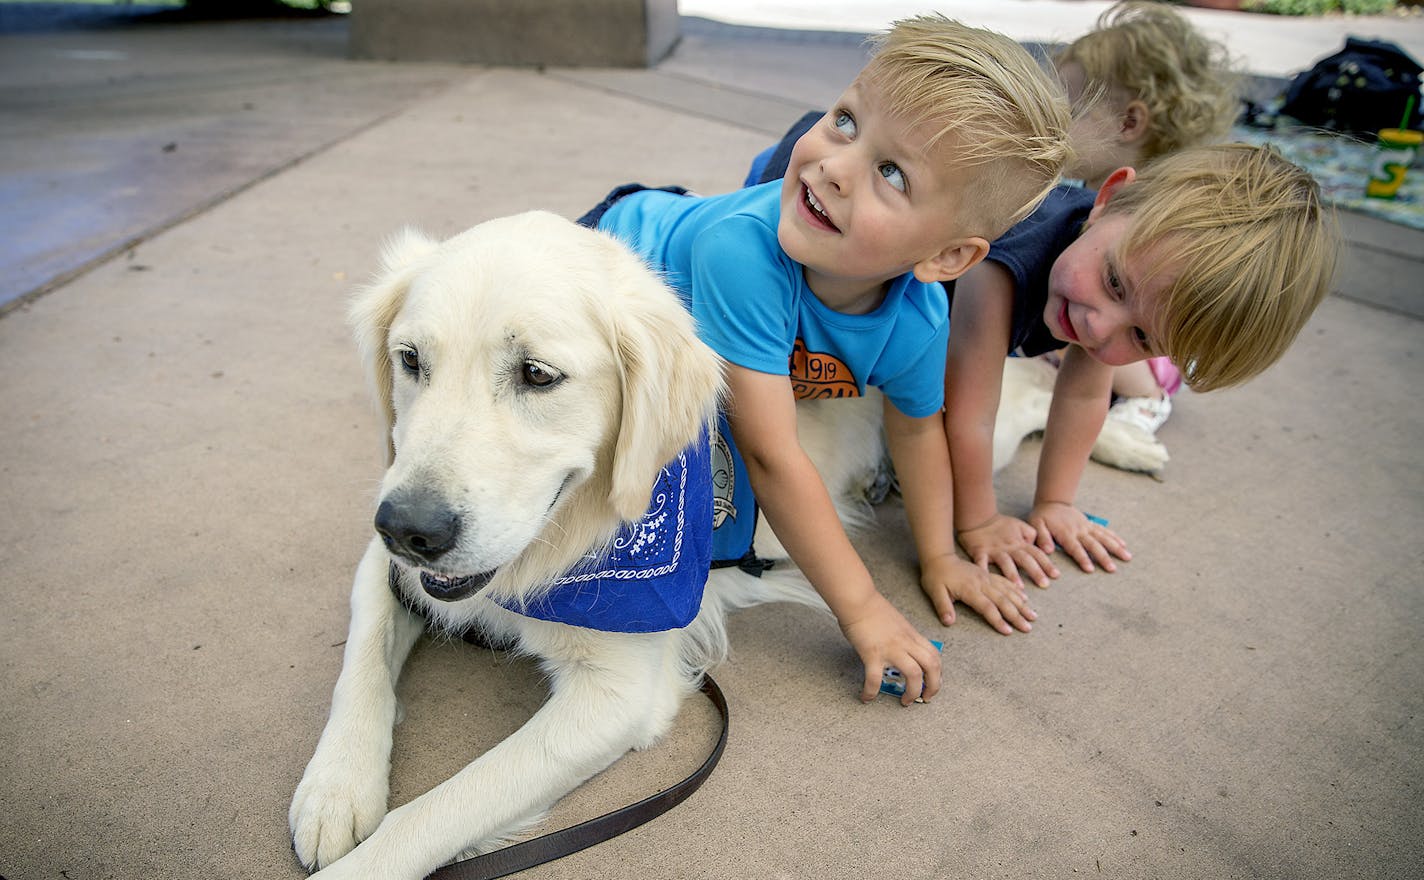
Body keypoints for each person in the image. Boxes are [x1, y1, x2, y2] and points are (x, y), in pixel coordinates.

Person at [580, 14, 1073, 704]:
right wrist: (864, 608)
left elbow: (916, 428)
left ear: (946, 258)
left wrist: (939, 555)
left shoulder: (919, 323)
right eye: (845, 120)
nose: (833, 167)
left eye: (892, 173)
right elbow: (773, 455)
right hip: (621, 252)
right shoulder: (742, 254)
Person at [942, 144, 1338, 593]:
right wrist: (980, 521)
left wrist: (1055, 502)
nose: (1100, 326)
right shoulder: (1002, 262)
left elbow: (1083, 395)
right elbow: (970, 412)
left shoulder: (1114, 269)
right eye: (1114, 283)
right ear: (1108, 198)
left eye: (1144, 338)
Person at [1054, 0, 1240, 435]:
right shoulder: (1095, 189)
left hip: (1148, 355)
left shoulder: (1142, 211)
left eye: (1066, 108)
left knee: (1101, 314)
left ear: (1128, 122)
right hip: (1118, 324)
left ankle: (1145, 400)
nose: (1046, 120)